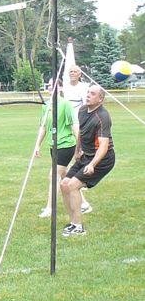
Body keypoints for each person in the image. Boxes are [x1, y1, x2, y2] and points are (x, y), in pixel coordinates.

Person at [60, 85, 115, 237]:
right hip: (86, 156)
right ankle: (72, 223)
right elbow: (82, 134)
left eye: (92, 93)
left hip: (103, 159)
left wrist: (92, 164)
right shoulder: (83, 110)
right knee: (64, 184)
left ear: (100, 99)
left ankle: (79, 227)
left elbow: (104, 146)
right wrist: (77, 150)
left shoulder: (103, 117)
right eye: (88, 92)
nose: (88, 95)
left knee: (73, 185)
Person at [33, 80, 87, 217]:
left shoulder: (65, 104)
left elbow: (75, 125)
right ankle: (85, 204)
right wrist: (37, 145)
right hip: (53, 145)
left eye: (54, 85)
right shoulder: (46, 105)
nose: (50, 87)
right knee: (66, 176)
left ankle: (49, 208)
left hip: (66, 145)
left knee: (53, 175)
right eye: (49, 85)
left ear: (60, 87)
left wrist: (80, 146)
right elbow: (43, 127)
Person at [63, 64, 94, 214]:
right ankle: (79, 188)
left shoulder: (83, 88)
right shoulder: (65, 87)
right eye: (70, 72)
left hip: (79, 127)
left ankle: (80, 191)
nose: (72, 74)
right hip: (67, 126)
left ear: (80, 74)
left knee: (76, 160)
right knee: (67, 165)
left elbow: (86, 106)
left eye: (75, 71)